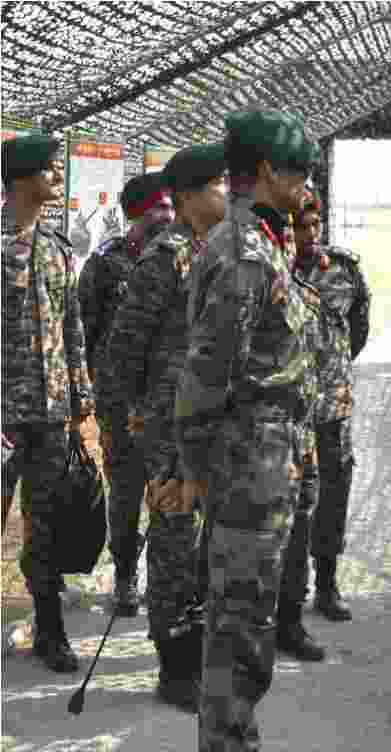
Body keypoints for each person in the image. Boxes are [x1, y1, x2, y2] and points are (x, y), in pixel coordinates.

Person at [174, 109, 320, 752]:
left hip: (264, 461)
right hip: (245, 468)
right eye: (298, 170)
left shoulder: (264, 244)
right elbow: (206, 377)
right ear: (265, 170)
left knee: (248, 618)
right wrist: (202, 473)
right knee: (238, 625)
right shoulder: (241, 255)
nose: (305, 185)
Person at [98, 143, 228, 711]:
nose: (230, 194)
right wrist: (122, 424)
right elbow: (120, 351)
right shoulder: (166, 259)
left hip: (211, 426)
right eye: (221, 185)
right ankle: (174, 666)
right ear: (193, 195)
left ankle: (197, 651)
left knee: (204, 547)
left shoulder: (218, 252)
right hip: (170, 429)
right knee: (175, 544)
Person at [1, 132, 95, 673]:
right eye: (49, 170)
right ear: (20, 179)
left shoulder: (58, 249)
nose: (57, 178)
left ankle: (50, 632)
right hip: (3, 418)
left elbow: (73, 329)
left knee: (46, 523)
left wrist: (81, 398)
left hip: (51, 414)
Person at [85, 170, 176, 617]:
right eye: (159, 207)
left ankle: (166, 580)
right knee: (124, 491)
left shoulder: (180, 259)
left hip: (166, 402)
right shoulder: (105, 263)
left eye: (170, 206)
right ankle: (124, 577)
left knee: (170, 490)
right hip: (119, 403)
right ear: (136, 213)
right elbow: (85, 329)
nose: (167, 214)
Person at [286, 188, 369, 623]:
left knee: (334, 494)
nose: (309, 234)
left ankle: (327, 582)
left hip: (333, 405)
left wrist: (330, 373)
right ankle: (291, 592)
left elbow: (357, 330)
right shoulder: (272, 267)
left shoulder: (343, 268)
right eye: (300, 225)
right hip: (288, 409)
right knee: (295, 499)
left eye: (315, 224)